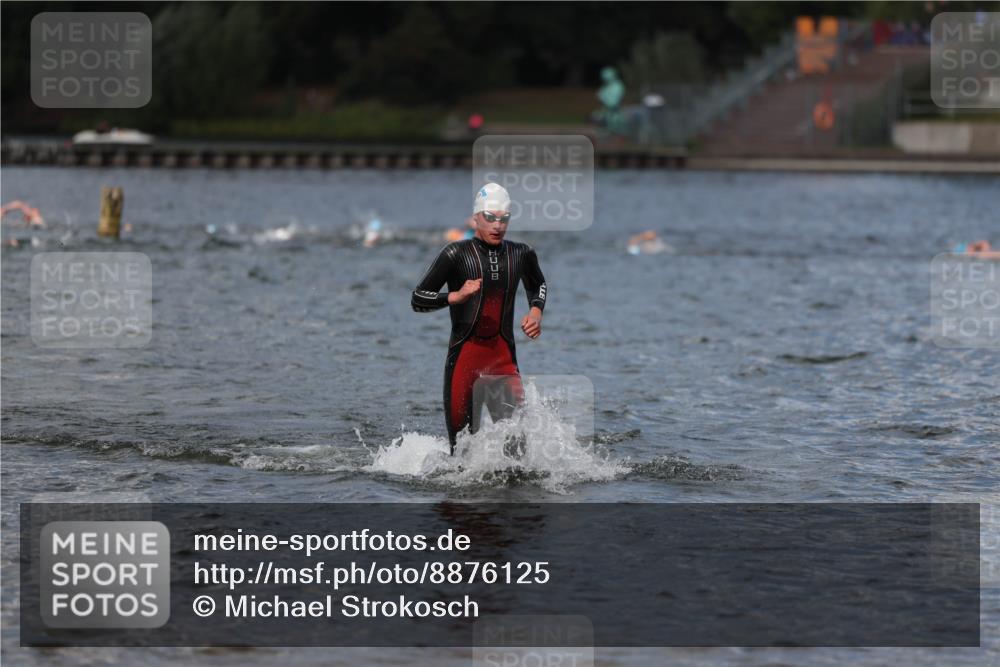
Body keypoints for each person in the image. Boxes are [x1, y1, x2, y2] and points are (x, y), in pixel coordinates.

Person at [411, 183, 547, 454]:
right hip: (463, 364)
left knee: (518, 454)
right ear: (476, 218)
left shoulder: (521, 253)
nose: (497, 225)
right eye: (490, 218)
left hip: (503, 363)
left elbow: (538, 284)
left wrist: (535, 311)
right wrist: (455, 296)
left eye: (503, 218)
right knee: (461, 455)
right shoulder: (455, 254)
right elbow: (418, 299)